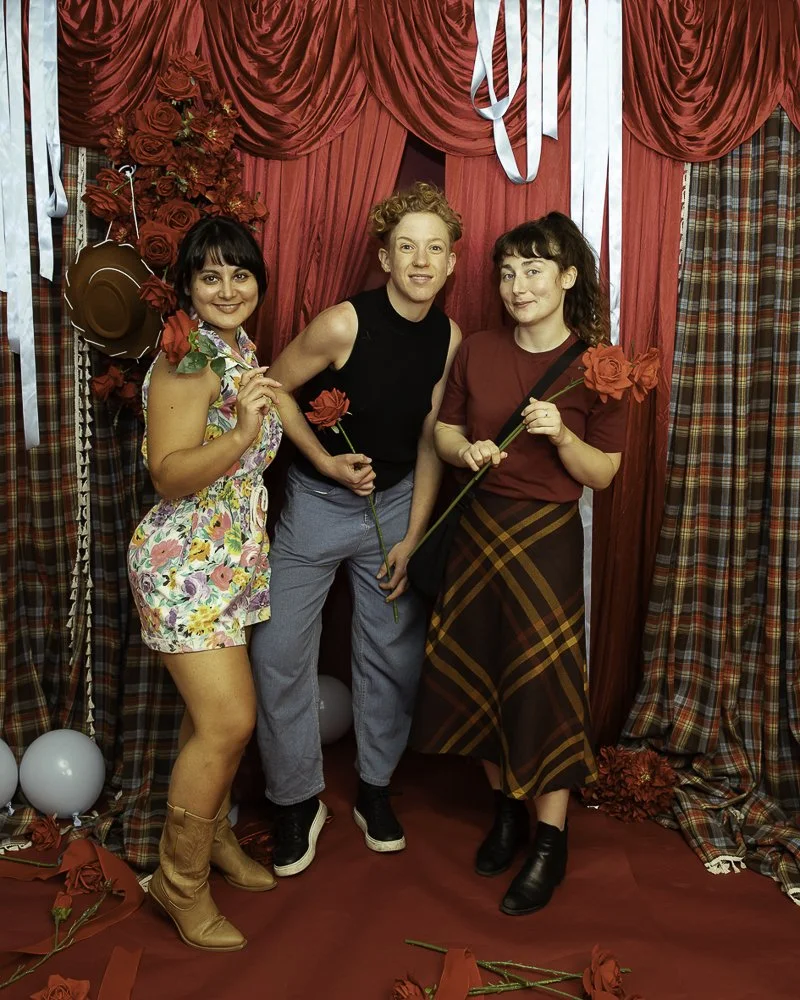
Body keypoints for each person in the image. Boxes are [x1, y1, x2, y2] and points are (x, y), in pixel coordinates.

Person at [411, 212, 628, 916]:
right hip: (479, 533)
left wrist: (562, 435)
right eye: (507, 272)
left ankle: (549, 841)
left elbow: (603, 474)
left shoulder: (600, 367)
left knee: (542, 686)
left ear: (567, 277)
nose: (517, 285)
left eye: (533, 269)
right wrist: (465, 450)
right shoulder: (476, 350)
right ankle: (505, 809)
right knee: (481, 672)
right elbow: (444, 432)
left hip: (546, 541)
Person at [251, 182, 462, 876]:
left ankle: (375, 787)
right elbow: (274, 388)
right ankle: (295, 800)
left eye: (434, 248)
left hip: (394, 508)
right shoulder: (342, 324)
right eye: (407, 247)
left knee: (392, 654)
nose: (421, 261)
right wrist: (325, 462)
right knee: (278, 650)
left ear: (452, 262)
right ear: (384, 257)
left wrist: (413, 537)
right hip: (317, 504)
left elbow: (430, 438)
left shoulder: (450, 337)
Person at [128, 216, 283, 951]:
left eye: (240, 274)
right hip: (184, 565)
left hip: (229, 560)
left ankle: (214, 837)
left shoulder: (236, 347)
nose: (227, 289)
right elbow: (168, 474)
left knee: (207, 722)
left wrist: (323, 457)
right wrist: (243, 434)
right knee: (228, 723)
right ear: (187, 287)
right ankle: (179, 883)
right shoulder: (187, 361)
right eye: (210, 276)